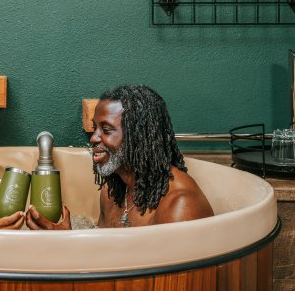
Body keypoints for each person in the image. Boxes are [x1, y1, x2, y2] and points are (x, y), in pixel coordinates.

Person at [26, 85, 214, 230]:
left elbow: (163, 280)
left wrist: (71, 247)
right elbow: (104, 256)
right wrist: (68, 241)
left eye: (106, 130)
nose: (93, 138)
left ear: (139, 137)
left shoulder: (180, 206)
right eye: (94, 128)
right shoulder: (112, 191)